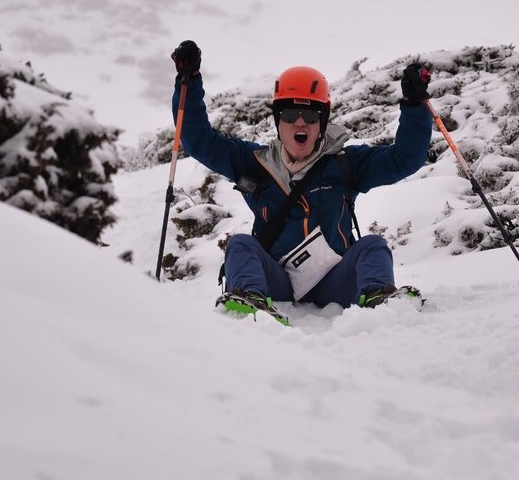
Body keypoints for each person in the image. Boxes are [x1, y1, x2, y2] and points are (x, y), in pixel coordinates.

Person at [170, 40, 432, 324]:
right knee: (240, 245)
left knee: (373, 245)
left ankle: (379, 300)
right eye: (289, 115)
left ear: (322, 121)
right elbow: (198, 141)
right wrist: (189, 82)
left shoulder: (345, 164)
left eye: (309, 115)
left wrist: (414, 106)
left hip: (334, 281)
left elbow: (404, 160)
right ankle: (252, 303)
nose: (300, 123)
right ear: (277, 120)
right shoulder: (254, 163)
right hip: (277, 281)